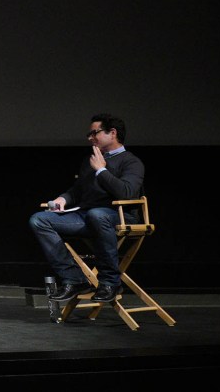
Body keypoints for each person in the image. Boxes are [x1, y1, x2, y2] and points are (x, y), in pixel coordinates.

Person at [28, 113, 145, 304]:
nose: (90, 138)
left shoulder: (131, 162)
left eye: (94, 133)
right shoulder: (90, 161)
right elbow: (78, 191)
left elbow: (127, 192)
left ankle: (109, 282)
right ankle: (74, 279)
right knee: (39, 219)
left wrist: (102, 170)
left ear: (112, 133)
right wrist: (63, 199)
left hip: (120, 217)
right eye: (89, 134)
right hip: (87, 216)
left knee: (97, 214)